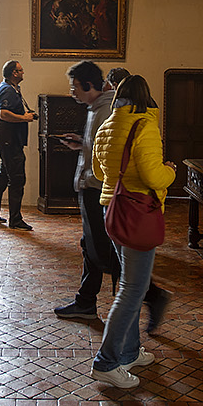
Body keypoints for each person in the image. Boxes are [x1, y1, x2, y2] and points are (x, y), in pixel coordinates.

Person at [54, 61, 170, 332]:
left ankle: (151, 296)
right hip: (92, 187)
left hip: (101, 191)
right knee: (91, 248)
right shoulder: (97, 107)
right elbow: (101, 147)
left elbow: (114, 155)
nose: (72, 91)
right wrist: (81, 144)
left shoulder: (108, 109)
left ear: (88, 85)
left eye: (74, 86)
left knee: (106, 254)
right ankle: (86, 301)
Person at [89, 74, 176, 388]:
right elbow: (154, 176)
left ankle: (128, 352)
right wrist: (171, 171)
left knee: (128, 283)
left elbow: (99, 171)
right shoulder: (145, 126)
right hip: (137, 211)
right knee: (131, 291)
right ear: (146, 97)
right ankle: (106, 362)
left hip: (110, 209)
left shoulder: (107, 125)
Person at [0, 60, 35, 230]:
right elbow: (3, 113)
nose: (23, 73)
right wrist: (24, 118)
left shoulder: (9, 88)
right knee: (17, 178)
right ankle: (15, 219)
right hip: (10, 141)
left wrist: (25, 114)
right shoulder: (7, 90)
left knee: (4, 174)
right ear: (14, 73)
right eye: (20, 70)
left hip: (9, 140)